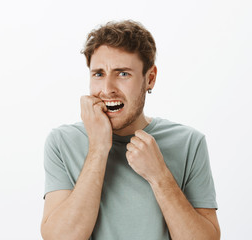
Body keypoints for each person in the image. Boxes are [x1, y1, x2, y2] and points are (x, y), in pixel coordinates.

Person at [40, 20, 220, 240]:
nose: (107, 89)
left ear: (150, 78)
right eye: (98, 74)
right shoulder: (62, 142)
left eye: (122, 74)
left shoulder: (189, 142)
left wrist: (160, 176)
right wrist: (98, 148)